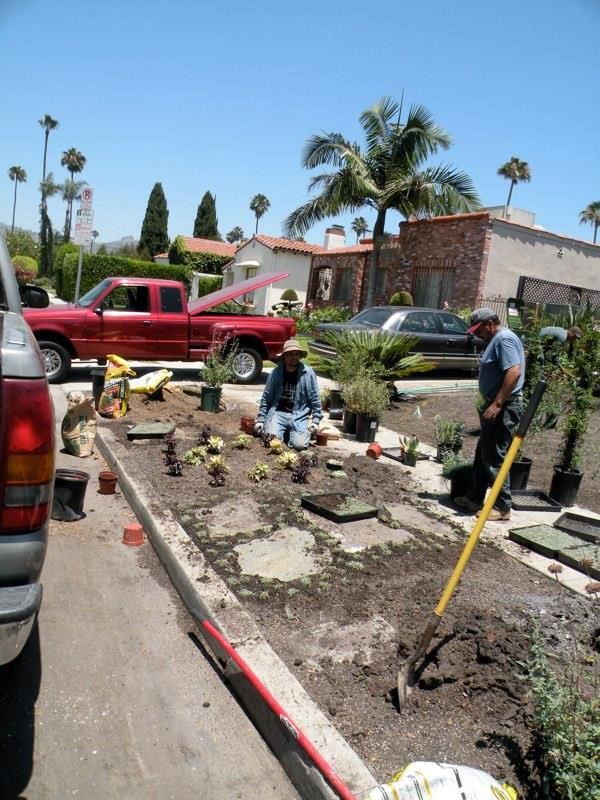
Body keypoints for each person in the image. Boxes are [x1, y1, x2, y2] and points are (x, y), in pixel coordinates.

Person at [455, 308, 525, 521]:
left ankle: (503, 507)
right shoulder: (499, 339)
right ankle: (474, 498)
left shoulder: (504, 339)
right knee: (482, 454)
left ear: (489, 324)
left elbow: (514, 372)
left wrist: (497, 404)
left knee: (494, 456)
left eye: (479, 330)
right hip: (495, 404)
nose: (477, 335)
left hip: (503, 407)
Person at [254, 339, 322, 450]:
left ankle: (294, 432)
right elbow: (266, 397)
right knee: (271, 441)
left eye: (296, 354)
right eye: (290, 354)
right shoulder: (276, 373)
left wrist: (316, 421)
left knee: (299, 445)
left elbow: (315, 398)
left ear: (300, 356)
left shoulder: (308, 373)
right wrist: (261, 419)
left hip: (299, 415)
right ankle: (281, 430)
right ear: (284, 356)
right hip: (278, 413)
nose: (294, 357)